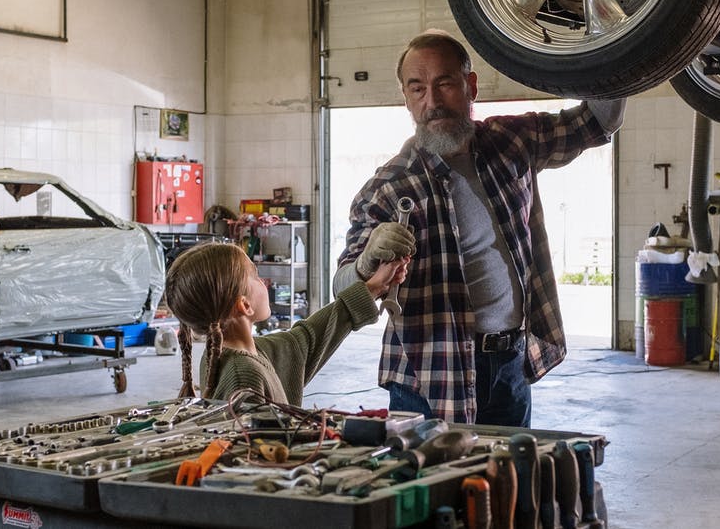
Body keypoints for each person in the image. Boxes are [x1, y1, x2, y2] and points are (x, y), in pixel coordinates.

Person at [334, 29, 626, 426]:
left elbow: (596, 121)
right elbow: (343, 287)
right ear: (405, 98)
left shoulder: (510, 142)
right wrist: (368, 261)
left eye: (445, 84)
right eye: (417, 89)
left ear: (471, 85)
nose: (432, 102)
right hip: (429, 375)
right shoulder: (388, 188)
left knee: (507, 482)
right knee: (437, 486)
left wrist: (620, 38)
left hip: (508, 363)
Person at [168, 242, 407, 405]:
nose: (263, 281)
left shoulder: (231, 353)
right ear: (245, 305)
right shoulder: (244, 376)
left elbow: (307, 339)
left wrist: (373, 287)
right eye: (255, 276)